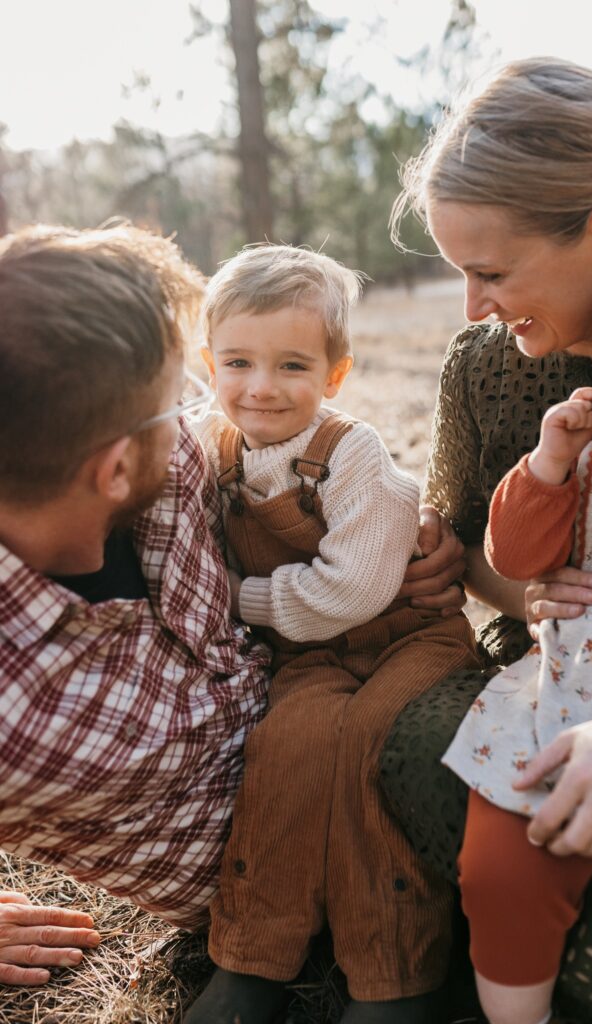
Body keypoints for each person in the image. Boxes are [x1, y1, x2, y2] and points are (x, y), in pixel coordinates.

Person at [0, 225, 465, 987]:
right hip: (254, 896)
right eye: (174, 402)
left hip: (351, 691)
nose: (197, 410)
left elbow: (327, 477)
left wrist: (401, 535)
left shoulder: (176, 458)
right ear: (115, 467)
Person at [381, 56, 592, 1021]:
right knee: (408, 761)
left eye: (491, 272)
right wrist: (507, 584)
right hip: (556, 683)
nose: (473, 308)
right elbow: (475, 554)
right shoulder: (487, 366)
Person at [185, 244, 480, 1024]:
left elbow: (354, 587)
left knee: (369, 744)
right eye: (239, 362)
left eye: (291, 366)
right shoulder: (211, 450)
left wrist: (239, 597)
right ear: (208, 363)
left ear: (334, 375)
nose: (260, 387)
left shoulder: (350, 454)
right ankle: (250, 956)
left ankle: (393, 974)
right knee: (288, 744)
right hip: (311, 651)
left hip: (407, 636)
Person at [442, 255, 592, 1024]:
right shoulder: (582, 472)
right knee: (499, 876)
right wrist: (547, 462)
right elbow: (511, 558)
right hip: (558, 710)